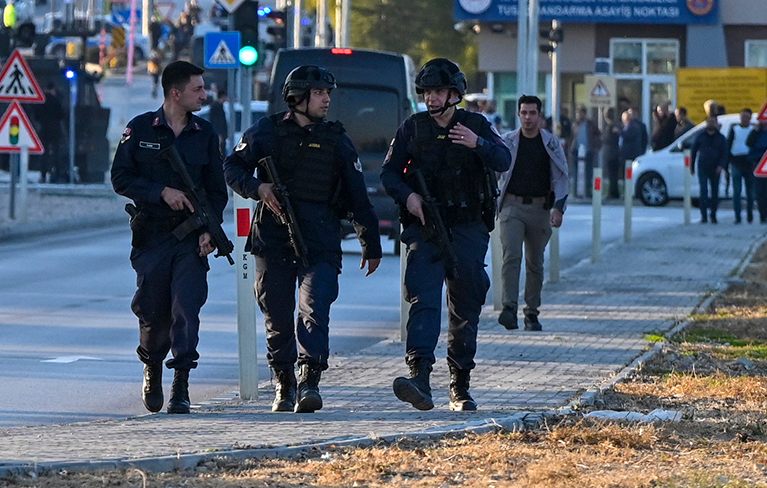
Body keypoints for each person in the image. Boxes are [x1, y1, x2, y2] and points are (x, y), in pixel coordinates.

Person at [224, 65, 383, 413]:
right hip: (272, 237)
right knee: (276, 316)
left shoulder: (336, 139)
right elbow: (233, 167)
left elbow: (357, 195)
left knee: (314, 309)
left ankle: (310, 380)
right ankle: (284, 384)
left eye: (328, 93)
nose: (327, 99)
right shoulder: (265, 132)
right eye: (319, 93)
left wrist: (371, 242)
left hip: (321, 239)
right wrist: (258, 187)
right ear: (298, 97)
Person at [381, 58, 511, 412]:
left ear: (454, 94)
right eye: (427, 92)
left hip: (468, 227)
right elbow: (389, 173)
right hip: (426, 228)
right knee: (423, 298)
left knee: (466, 302)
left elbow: (503, 159)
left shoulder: (475, 124)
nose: (432, 98)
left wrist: (477, 144)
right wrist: (408, 196)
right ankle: (419, 376)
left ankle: (460, 383)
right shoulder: (412, 129)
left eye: (438, 91)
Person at [111, 60, 228, 415]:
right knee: (152, 310)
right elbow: (120, 178)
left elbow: (215, 190)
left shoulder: (205, 134)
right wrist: (160, 191)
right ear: (175, 94)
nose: (204, 95)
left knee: (186, 308)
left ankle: (181, 384)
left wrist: (210, 229)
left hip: (191, 238)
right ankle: (152, 366)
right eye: (197, 89)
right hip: (152, 236)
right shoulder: (141, 128)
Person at [494, 95, 569, 332]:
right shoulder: (507, 142)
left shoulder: (550, 144)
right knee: (511, 255)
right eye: (524, 113)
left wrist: (558, 207)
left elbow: (561, 176)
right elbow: (494, 173)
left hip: (540, 208)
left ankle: (532, 312)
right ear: (518, 115)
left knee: (535, 263)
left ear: (540, 116)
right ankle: (509, 308)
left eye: (532, 113)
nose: (528, 118)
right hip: (512, 207)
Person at [690, 114, 729, 223]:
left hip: (716, 167)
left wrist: (721, 166)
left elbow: (725, 153)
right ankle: (703, 216)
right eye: (709, 122)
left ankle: (713, 215)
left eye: (713, 122)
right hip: (703, 166)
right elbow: (693, 151)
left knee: (715, 192)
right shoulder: (700, 136)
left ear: (716, 123)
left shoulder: (721, 138)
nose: (711, 124)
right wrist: (692, 166)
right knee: (703, 191)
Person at [725, 108, 757, 223]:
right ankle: (737, 216)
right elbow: (728, 145)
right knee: (737, 192)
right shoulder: (734, 129)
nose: (745, 119)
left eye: (747, 117)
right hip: (736, 162)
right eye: (743, 116)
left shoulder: (754, 129)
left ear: (750, 118)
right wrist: (726, 163)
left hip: (749, 163)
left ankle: (750, 215)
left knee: (750, 193)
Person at [619, 108, 649, 192]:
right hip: (627, 153)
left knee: (630, 173)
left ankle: (630, 191)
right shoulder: (626, 126)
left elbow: (629, 136)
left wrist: (619, 132)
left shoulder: (634, 126)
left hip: (631, 154)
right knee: (626, 173)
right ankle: (627, 191)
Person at [572, 106, 599, 199]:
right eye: (577, 114)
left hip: (588, 151)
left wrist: (595, 146)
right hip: (577, 150)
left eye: (580, 113)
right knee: (576, 172)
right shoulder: (576, 124)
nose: (578, 115)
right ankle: (577, 192)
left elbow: (598, 135)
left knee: (588, 172)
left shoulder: (590, 124)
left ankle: (588, 191)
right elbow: (572, 136)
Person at [600, 108, 623, 199]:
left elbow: (609, 139)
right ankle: (614, 192)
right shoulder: (614, 125)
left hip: (612, 153)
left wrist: (603, 139)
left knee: (612, 174)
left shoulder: (612, 126)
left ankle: (613, 193)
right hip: (614, 152)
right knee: (613, 174)